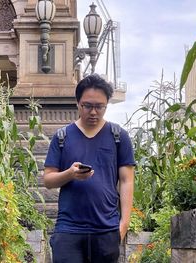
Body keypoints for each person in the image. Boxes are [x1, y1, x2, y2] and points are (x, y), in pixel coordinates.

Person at [44, 74, 135, 263]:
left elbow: (127, 181)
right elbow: (48, 180)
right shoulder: (62, 137)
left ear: (106, 105)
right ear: (78, 103)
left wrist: (123, 225)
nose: (93, 112)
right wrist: (70, 174)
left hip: (106, 230)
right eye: (87, 106)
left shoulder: (119, 137)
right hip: (68, 230)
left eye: (99, 106)